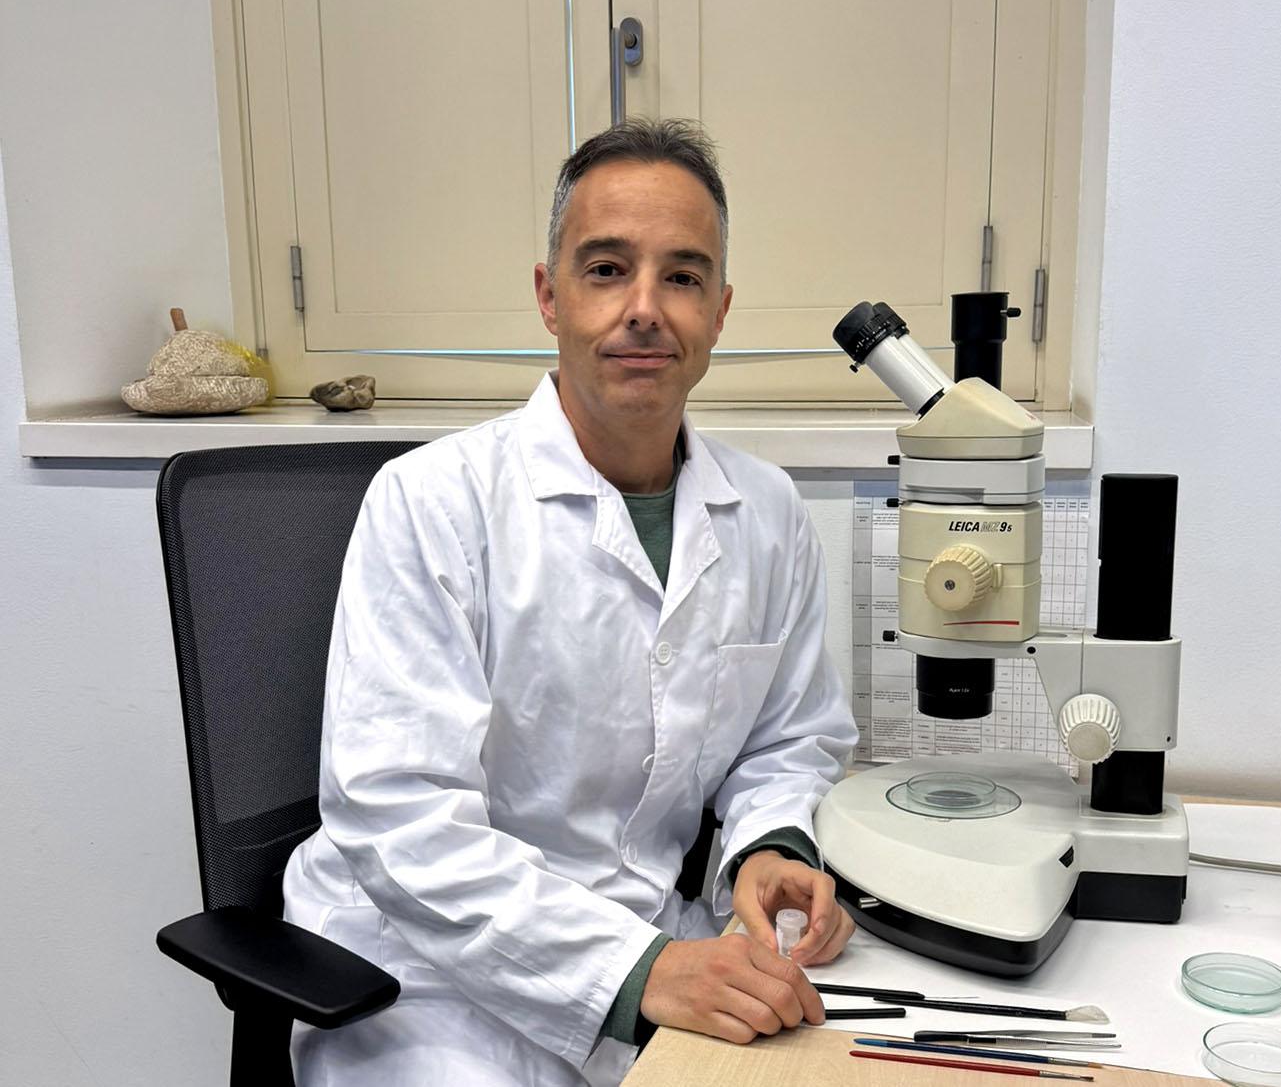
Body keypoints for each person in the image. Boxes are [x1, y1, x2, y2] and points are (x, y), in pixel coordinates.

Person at [282, 118, 860, 1086]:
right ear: (549, 296)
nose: (645, 308)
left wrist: (768, 842)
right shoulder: (431, 501)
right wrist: (636, 973)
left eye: (682, 276)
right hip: (420, 972)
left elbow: (788, 737)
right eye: (605, 269)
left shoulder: (766, 512)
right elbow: (398, 813)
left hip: (657, 935)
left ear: (719, 311)